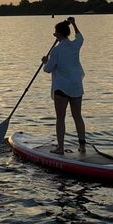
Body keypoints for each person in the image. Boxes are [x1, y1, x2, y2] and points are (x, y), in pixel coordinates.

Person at [42, 17, 86, 155]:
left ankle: (60, 148)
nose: (54, 35)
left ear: (60, 34)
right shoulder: (75, 45)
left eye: (55, 32)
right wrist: (74, 24)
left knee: (60, 118)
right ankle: (82, 146)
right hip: (76, 86)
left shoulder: (56, 51)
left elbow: (48, 69)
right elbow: (80, 37)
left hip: (61, 88)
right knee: (77, 116)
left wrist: (45, 61)